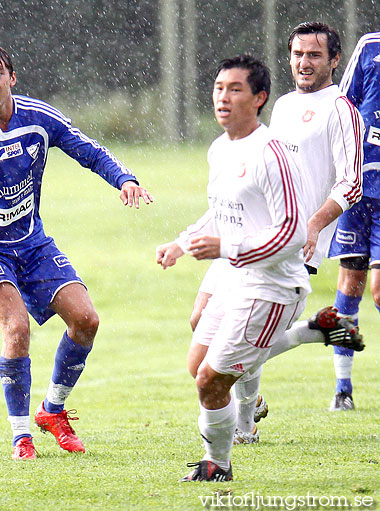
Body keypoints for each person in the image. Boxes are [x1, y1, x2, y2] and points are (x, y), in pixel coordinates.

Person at [0, 44, 153, 460]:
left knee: (86, 319)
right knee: (16, 328)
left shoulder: (38, 117)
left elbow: (86, 148)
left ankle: (52, 411)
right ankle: (21, 437)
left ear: (12, 78)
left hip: (32, 243)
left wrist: (123, 178)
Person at [185, 22, 365, 444]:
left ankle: (244, 427)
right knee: (204, 324)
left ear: (334, 61)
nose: (305, 63)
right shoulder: (282, 104)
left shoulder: (341, 109)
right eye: (298, 54)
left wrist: (313, 226)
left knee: (234, 337)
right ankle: (311, 332)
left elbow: (351, 183)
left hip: (289, 239)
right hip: (246, 230)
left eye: (315, 55)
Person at [157, 54, 312, 481]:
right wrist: (181, 243)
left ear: (260, 97)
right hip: (236, 280)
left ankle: (218, 466)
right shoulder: (219, 148)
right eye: (218, 88)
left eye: (235, 89)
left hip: (273, 288)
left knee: (209, 380)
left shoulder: (271, 154)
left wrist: (229, 247)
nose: (223, 97)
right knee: (200, 367)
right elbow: (220, 212)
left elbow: (293, 233)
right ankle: (302, 338)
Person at [327, 31, 380, 411]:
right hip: (358, 189)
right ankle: (342, 390)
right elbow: (342, 106)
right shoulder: (369, 46)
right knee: (351, 284)